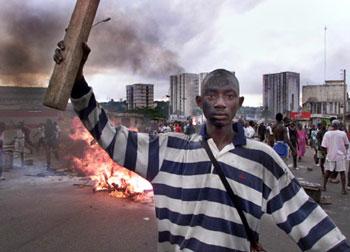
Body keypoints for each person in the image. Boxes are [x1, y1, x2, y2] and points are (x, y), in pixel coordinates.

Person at [54, 42, 350, 251]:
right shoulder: (167, 150)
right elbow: (107, 134)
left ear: (240, 103)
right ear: (200, 102)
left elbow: (308, 221)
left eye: (229, 95)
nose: (220, 102)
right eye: (212, 95)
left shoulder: (262, 159)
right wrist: (77, 80)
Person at [321, 120, 349, 195]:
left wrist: (326, 153)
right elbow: (347, 144)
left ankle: (324, 186)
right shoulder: (343, 133)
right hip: (340, 156)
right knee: (342, 172)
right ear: (339, 126)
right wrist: (343, 150)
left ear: (332, 126)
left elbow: (323, 146)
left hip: (330, 156)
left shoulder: (327, 134)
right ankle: (343, 189)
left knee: (328, 171)